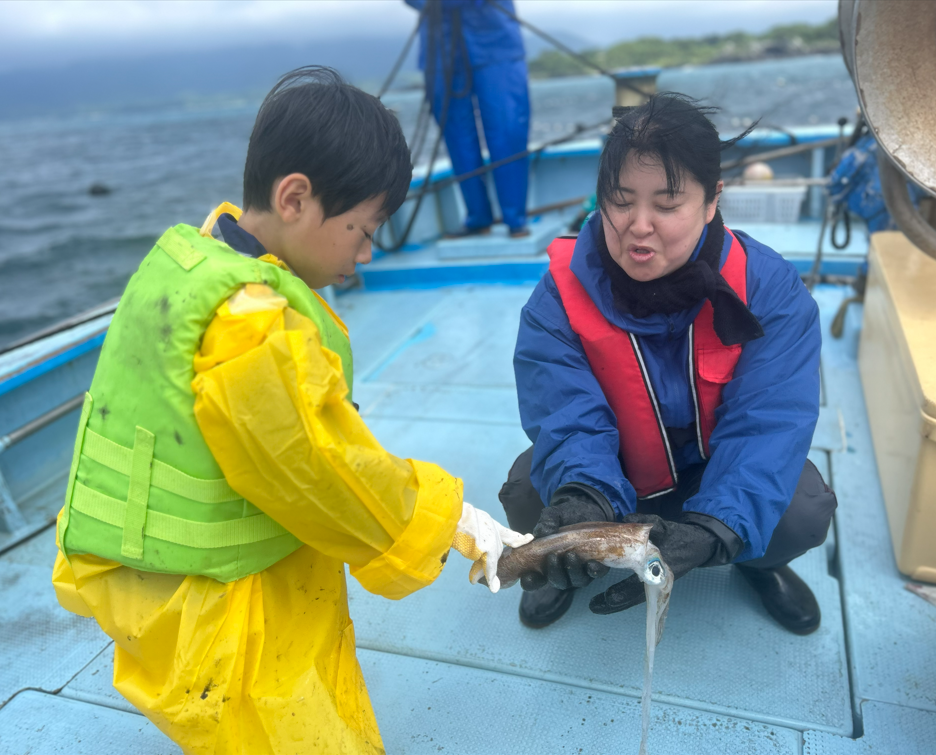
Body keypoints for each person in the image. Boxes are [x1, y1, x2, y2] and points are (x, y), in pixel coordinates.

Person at [51, 67, 530, 755]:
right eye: (362, 229)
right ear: (296, 197)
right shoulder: (249, 328)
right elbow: (317, 470)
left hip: (149, 574)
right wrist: (454, 519)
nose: (364, 255)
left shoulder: (189, 259)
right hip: (216, 604)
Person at [501, 93, 837, 636]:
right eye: (620, 199)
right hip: (617, 475)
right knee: (527, 496)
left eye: (667, 203)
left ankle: (755, 562)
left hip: (714, 472)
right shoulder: (557, 297)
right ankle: (566, 567)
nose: (638, 224)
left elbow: (770, 420)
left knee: (801, 512)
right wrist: (582, 494)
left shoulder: (768, 289)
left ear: (711, 202)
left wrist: (715, 525)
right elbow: (564, 410)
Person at [405, 0, 531, 237]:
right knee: (456, 135)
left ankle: (515, 218)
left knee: (508, 129)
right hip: (439, 43)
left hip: (495, 39)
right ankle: (477, 217)